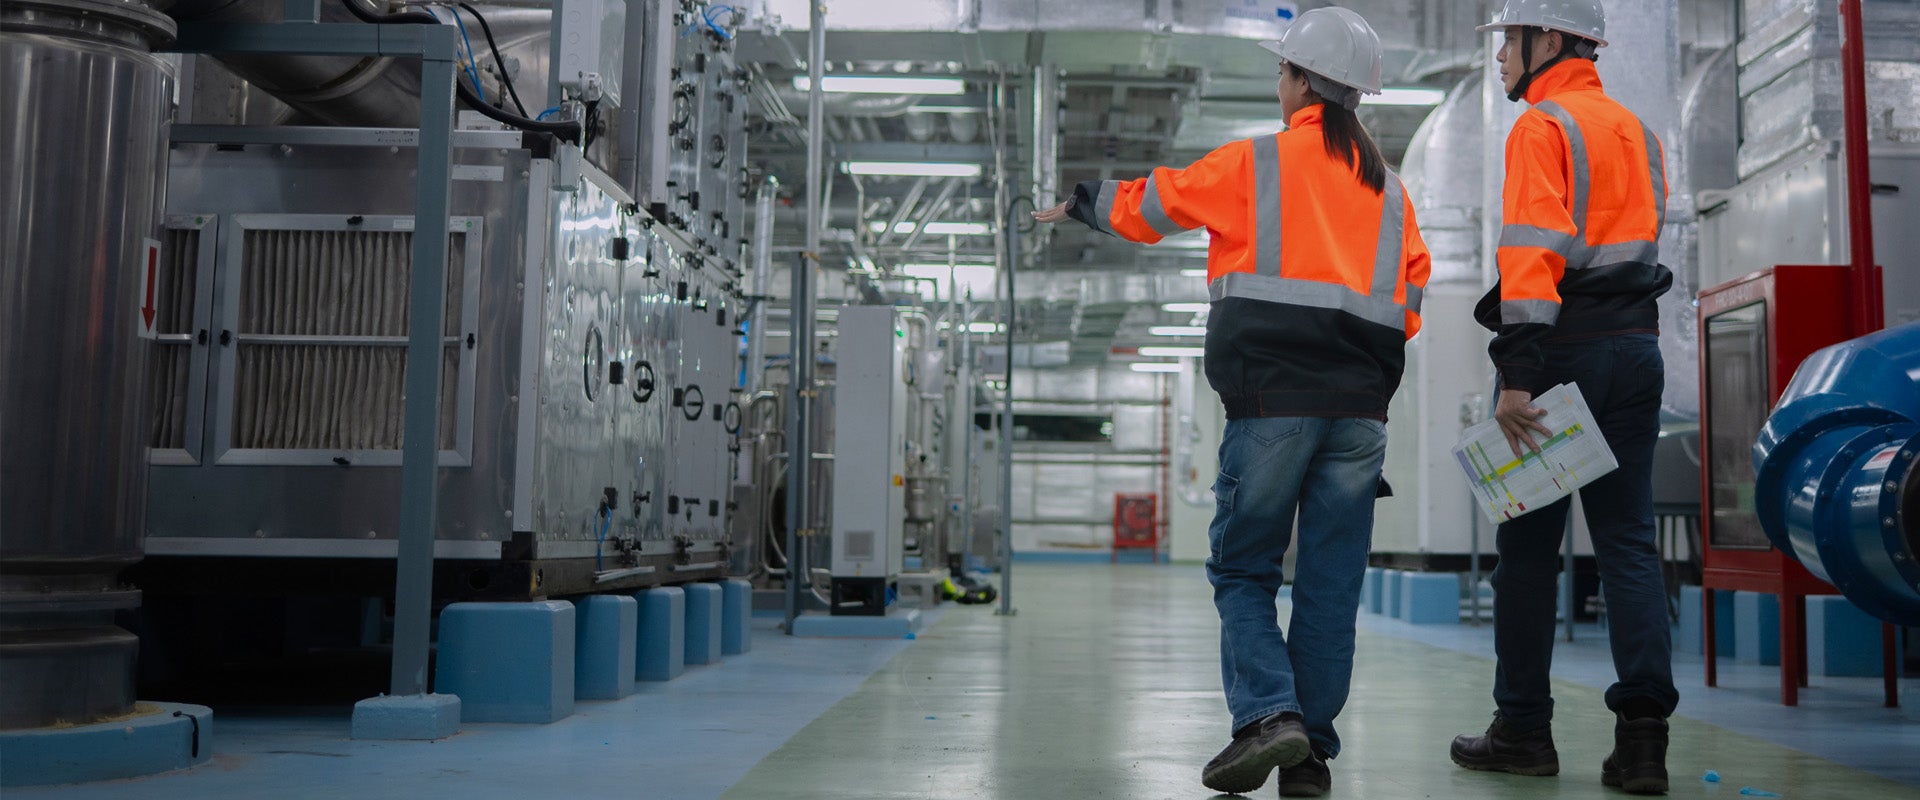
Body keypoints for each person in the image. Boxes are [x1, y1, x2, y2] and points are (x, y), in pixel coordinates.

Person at [1034, 7, 1429, 796]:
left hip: (1272, 403)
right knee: (1329, 585)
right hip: (1360, 418)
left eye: (1281, 71)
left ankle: (1270, 716)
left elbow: (1157, 206)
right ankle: (1309, 756)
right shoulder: (1393, 197)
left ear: (1298, 83)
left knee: (1244, 570)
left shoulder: (1260, 164)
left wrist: (1083, 201)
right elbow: (1411, 301)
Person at [1446, 0, 1678, 795]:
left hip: (1561, 356)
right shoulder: (1636, 133)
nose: (1500, 60)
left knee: (1528, 554)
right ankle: (1644, 742)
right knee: (1627, 546)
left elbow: (1533, 254)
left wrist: (1518, 375)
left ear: (1547, 38)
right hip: (1636, 350)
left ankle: (1522, 729)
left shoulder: (1542, 128)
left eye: (1507, 42)